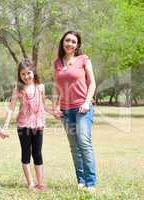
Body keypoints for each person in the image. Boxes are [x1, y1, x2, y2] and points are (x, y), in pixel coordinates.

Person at [52, 30, 97, 193]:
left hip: (82, 108)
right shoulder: (57, 63)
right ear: (62, 43)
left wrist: (86, 102)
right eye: (67, 41)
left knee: (84, 142)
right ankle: (81, 180)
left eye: (73, 41)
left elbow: (92, 83)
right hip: (65, 110)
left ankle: (91, 182)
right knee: (74, 146)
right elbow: (56, 86)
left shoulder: (84, 60)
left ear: (77, 45)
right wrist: (55, 107)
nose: (69, 44)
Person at [3, 58, 51, 191]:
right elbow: (11, 108)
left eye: (28, 73)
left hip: (38, 125)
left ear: (33, 72)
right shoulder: (18, 88)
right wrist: (5, 126)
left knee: (37, 153)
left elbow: (43, 106)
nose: (26, 76)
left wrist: (54, 113)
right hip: (24, 125)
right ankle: (30, 183)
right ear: (19, 75)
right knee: (26, 153)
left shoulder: (40, 87)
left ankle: (40, 182)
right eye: (23, 74)